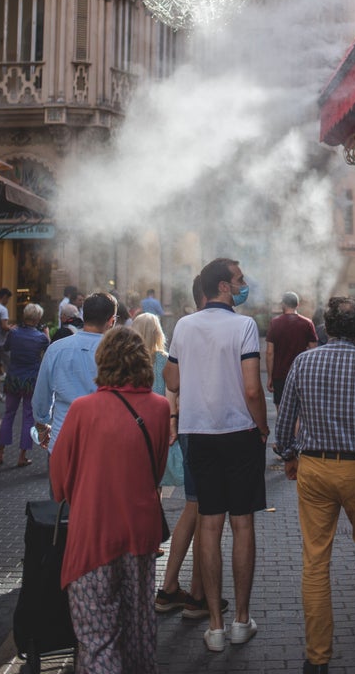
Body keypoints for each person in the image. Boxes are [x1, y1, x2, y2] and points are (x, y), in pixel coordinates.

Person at [275, 295, 355, 674]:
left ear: (328, 328)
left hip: (314, 467)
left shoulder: (304, 361)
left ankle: (317, 657)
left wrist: (287, 456)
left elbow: (285, 424)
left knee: (316, 559)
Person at [50, 324, 170, 674]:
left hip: (93, 533)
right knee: (138, 627)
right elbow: (157, 471)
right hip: (140, 531)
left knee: (98, 635)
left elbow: (59, 483)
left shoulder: (82, 410)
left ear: (103, 361)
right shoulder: (160, 408)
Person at [164, 257, 268, 653]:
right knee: (242, 526)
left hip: (199, 433)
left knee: (209, 524)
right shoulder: (243, 326)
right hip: (239, 433)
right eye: (239, 280)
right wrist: (262, 428)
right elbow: (253, 389)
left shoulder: (184, 326)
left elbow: (171, 379)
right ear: (224, 287)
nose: (244, 285)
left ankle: (214, 626)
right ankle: (241, 620)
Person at [155, 274, 228, 621]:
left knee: (196, 508)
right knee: (205, 511)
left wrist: (172, 420)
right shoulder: (210, 327)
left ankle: (174, 588)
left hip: (189, 427)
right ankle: (195, 595)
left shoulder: (184, 328)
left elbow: (172, 383)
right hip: (207, 431)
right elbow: (174, 381)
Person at [32, 291, 118, 453]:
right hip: (103, 445)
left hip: (63, 441)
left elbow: (42, 395)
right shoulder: (119, 352)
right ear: (111, 321)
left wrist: (41, 425)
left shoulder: (56, 349)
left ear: (84, 316)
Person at [132, 312, 184, 490]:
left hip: (132, 426)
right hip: (158, 425)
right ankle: (155, 514)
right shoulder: (165, 360)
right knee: (156, 481)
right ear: (157, 333)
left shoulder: (128, 362)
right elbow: (174, 392)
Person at [0, 303, 49, 467]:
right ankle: (22, 456)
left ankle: (0, 452)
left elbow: (6, 347)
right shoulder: (40, 338)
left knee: (8, 415)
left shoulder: (14, 333)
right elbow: (49, 351)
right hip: (30, 380)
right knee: (27, 417)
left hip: (13, 377)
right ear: (38, 318)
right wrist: (46, 334)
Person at [266, 291, 317, 407]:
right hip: (300, 374)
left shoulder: (275, 323)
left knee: (281, 408)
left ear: (283, 304)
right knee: (299, 410)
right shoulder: (307, 323)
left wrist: (270, 377)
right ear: (297, 305)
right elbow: (313, 351)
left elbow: (269, 353)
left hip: (279, 375)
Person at [0, 287, 12, 400]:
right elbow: (4, 326)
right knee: (10, 368)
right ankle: (6, 393)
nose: (8, 301)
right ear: (4, 297)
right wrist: (12, 328)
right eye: (8, 299)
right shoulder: (2, 310)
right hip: (2, 343)